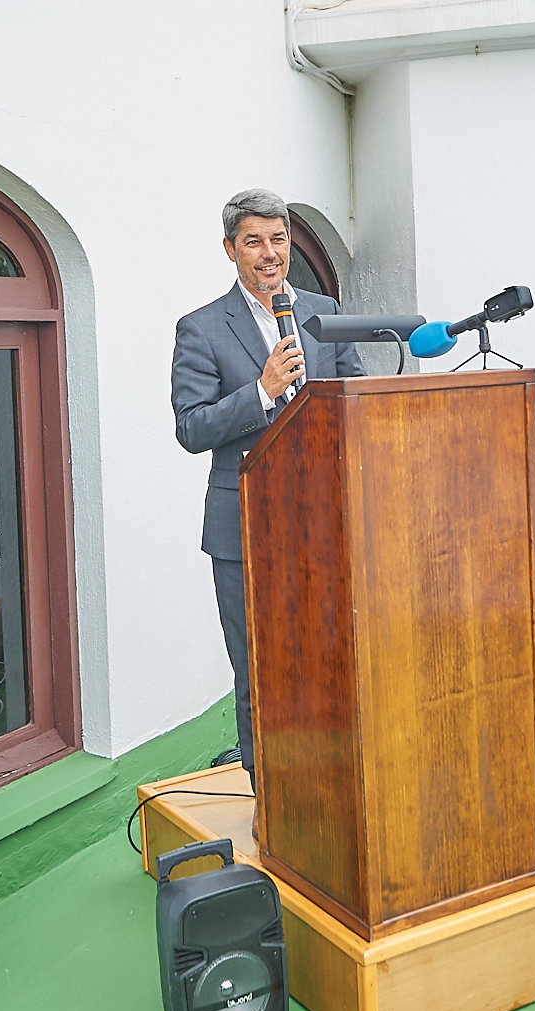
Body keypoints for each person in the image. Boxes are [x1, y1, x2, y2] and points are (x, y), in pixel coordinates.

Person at [170, 189, 364, 808]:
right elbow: (192, 428)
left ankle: (329, 782)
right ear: (230, 250)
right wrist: (260, 391)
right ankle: (272, 798)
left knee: (327, 655)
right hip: (245, 527)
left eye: (278, 240)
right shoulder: (201, 327)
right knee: (259, 666)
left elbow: (355, 394)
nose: (270, 253)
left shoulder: (323, 311)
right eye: (254, 241)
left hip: (325, 521)